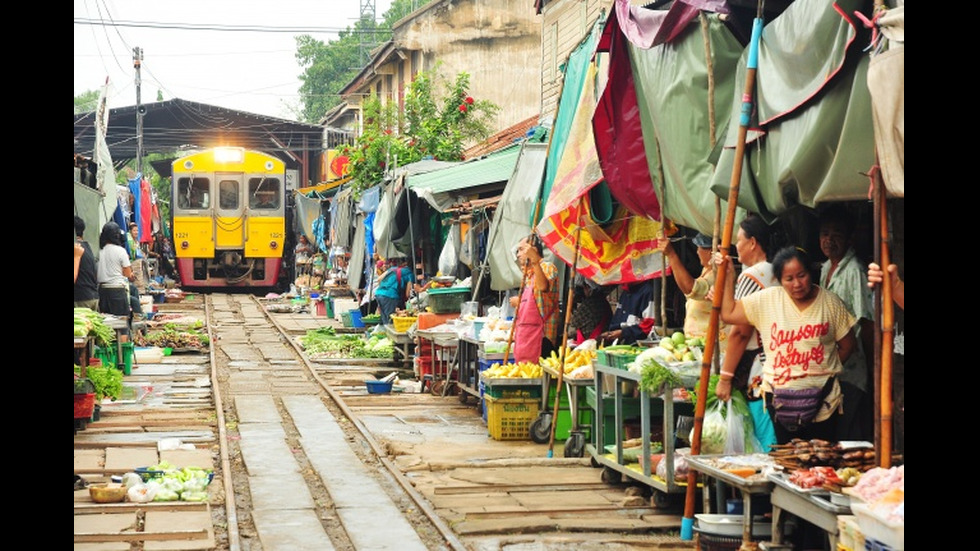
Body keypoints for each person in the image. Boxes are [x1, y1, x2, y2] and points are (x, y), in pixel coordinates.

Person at [719, 246, 858, 444]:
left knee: (821, 464)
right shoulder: (767, 300)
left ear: (811, 273)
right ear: (779, 280)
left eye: (801, 275)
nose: (797, 284)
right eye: (789, 279)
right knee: (788, 462)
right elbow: (729, 313)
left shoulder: (830, 303)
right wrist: (728, 277)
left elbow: (848, 345)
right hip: (779, 401)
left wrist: (821, 370)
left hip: (825, 402)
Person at [714, 215, 778, 452]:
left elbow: (740, 331)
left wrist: (725, 377)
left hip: (760, 370)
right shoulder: (773, 271)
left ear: (752, 243)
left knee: (765, 444)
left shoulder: (753, 275)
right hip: (777, 364)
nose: (735, 246)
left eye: (739, 240)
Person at [818, 206, 874, 442]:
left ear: (850, 238)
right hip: (833, 371)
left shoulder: (854, 271)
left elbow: (867, 322)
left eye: (837, 233)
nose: (829, 239)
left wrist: (873, 371)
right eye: (825, 233)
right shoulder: (825, 269)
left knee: (849, 438)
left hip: (852, 371)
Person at [661, 232, 728, 343]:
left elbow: (691, 288)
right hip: (698, 341)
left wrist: (671, 255)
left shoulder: (717, 275)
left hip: (712, 343)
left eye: (699, 248)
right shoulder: (707, 270)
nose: (697, 252)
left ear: (710, 252)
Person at [509, 235, 559, 363]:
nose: (518, 254)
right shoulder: (528, 275)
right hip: (526, 338)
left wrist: (535, 260)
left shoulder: (547, 267)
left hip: (542, 339)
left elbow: (543, 287)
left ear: (534, 250)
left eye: (521, 250)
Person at [97, 222, 137, 318]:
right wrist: (131, 275)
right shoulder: (120, 251)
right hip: (117, 290)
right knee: (121, 322)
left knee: (107, 322)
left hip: (102, 291)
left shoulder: (98, 251)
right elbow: (127, 273)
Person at [598, 280, 655, 345]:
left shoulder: (648, 292)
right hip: (619, 343)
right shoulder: (625, 291)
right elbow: (617, 319)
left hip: (636, 344)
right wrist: (610, 333)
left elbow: (647, 327)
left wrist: (623, 333)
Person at [568, 277, 613, 344]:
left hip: (590, 342)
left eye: (584, 288)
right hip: (603, 340)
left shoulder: (589, 303)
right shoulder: (604, 302)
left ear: (588, 288)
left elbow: (574, 322)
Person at [374, 255, 415, 325]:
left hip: (379, 293)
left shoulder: (393, 269)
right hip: (390, 296)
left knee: (384, 319)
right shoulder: (410, 273)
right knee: (390, 320)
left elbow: (379, 279)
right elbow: (408, 293)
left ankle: (384, 333)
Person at [74, 216, 99, 310]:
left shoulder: (76, 249)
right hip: (92, 296)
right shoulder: (87, 247)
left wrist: (76, 257)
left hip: (81, 300)